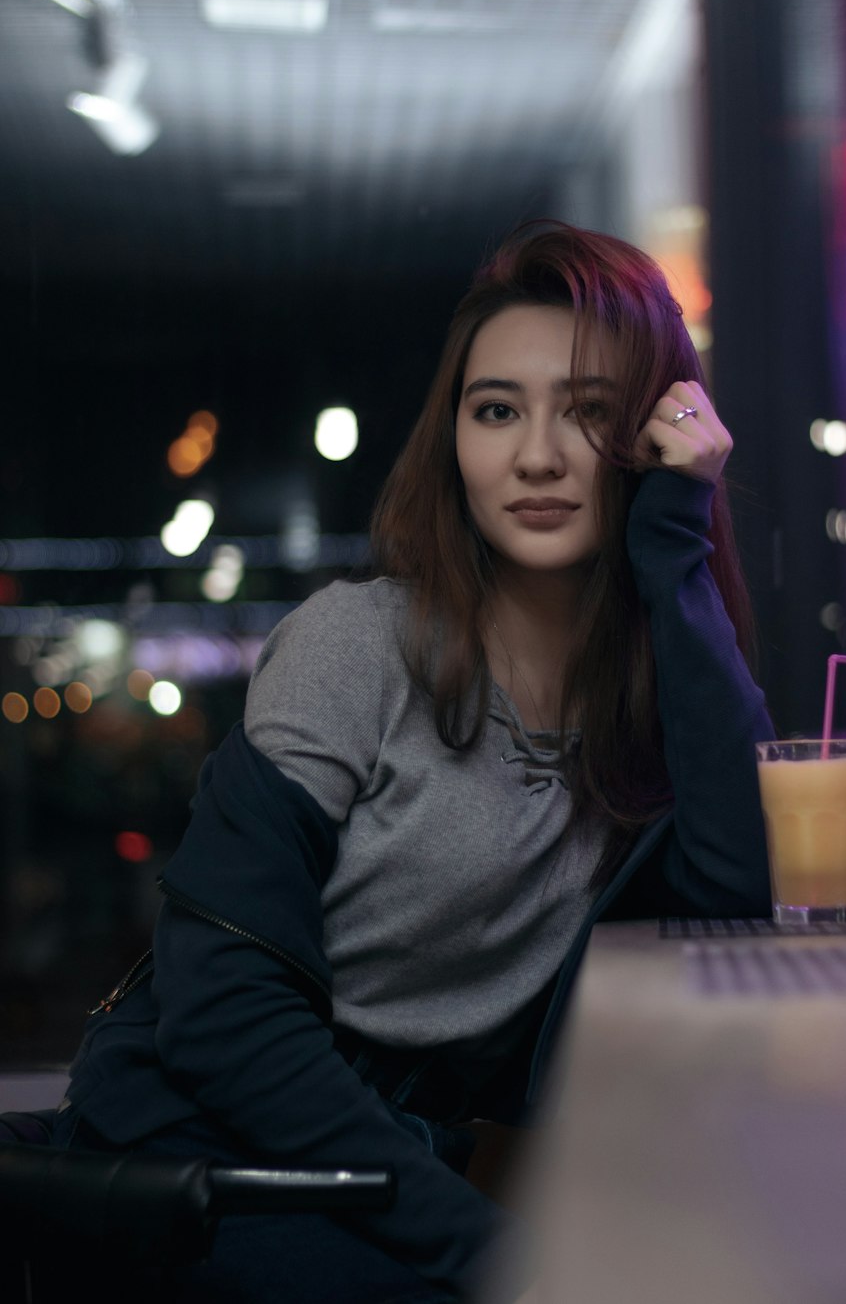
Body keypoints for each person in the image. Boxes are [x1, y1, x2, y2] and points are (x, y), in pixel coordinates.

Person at [53, 221, 774, 1302]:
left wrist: (672, 545)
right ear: (456, 443)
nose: (535, 455)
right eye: (496, 411)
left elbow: (739, 883)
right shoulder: (356, 647)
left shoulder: (649, 696)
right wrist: (488, 1246)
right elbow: (224, 1020)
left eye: (585, 411)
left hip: (392, 1162)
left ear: (650, 432)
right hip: (209, 1151)